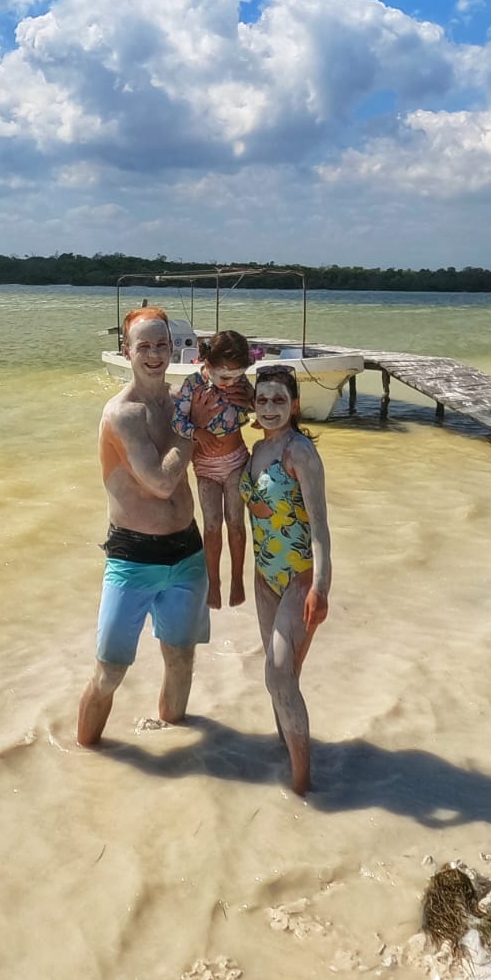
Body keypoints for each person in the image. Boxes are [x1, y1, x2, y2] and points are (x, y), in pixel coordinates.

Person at [78, 307, 209, 747]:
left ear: (172, 348)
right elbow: (160, 482)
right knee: (110, 672)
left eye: (161, 345)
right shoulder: (123, 414)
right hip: (132, 558)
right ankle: (86, 758)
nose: (154, 355)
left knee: (181, 660)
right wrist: (190, 427)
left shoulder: (181, 401)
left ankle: (176, 742)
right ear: (127, 351)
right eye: (144, 346)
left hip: (187, 553)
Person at [239, 364, 331, 794]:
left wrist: (321, 588)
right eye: (262, 400)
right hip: (264, 577)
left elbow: (320, 527)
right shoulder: (256, 449)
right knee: (282, 677)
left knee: (278, 674)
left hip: (298, 578)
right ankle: (286, 753)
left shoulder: (300, 452)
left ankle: (302, 784)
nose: (270, 408)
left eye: (279, 400)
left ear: (294, 405)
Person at [173, 329, 256, 609]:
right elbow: (177, 421)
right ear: (207, 363)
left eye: (238, 375)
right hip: (205, 467)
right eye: (224, 376)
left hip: (236, 461)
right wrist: (196, 431)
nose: (230, 382)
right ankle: (214, 582)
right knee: (211, 526)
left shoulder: (240, 384)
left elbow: (257, 408)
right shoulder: (192, 385)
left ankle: (237, 579)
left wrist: (251, 399)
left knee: (235, 522)